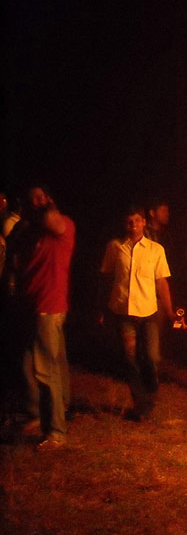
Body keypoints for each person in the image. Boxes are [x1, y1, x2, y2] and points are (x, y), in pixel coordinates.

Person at [8, 185, 75, 448]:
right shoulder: (30, 231)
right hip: (34, 305)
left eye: (44, 196)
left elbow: (49, 218)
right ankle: (53, 412)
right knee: (44, 363)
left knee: (46, 370)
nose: (41, 200)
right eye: (34, 197)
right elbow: (13, 253)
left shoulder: (63, 225)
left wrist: (37, 209)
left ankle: (55, 431)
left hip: (48, 306)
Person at [100, 206, 173, 421]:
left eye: (137, 221)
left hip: (148, 310)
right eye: (129, 221)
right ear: (125, 224)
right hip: (123, 310)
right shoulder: (115, 247)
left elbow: (161, 281)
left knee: (151, 356)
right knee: (129, 358)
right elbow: (106, 277)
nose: (133, 225)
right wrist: (101, 308)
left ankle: (151, 389)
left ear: (143, 222)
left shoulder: (155, 249)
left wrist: (169, 310)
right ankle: (141, 403)